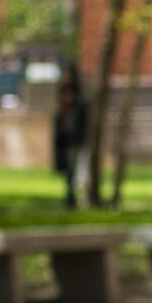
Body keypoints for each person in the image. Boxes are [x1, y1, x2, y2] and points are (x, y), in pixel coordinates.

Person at [51, 63, 89, 210]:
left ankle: (71, 197)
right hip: (63, 138)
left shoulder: (79, 99)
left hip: (75, 139)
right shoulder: (61, 96)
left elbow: (83, 119)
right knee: (67, 168)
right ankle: (69, 196)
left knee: (74, 168)